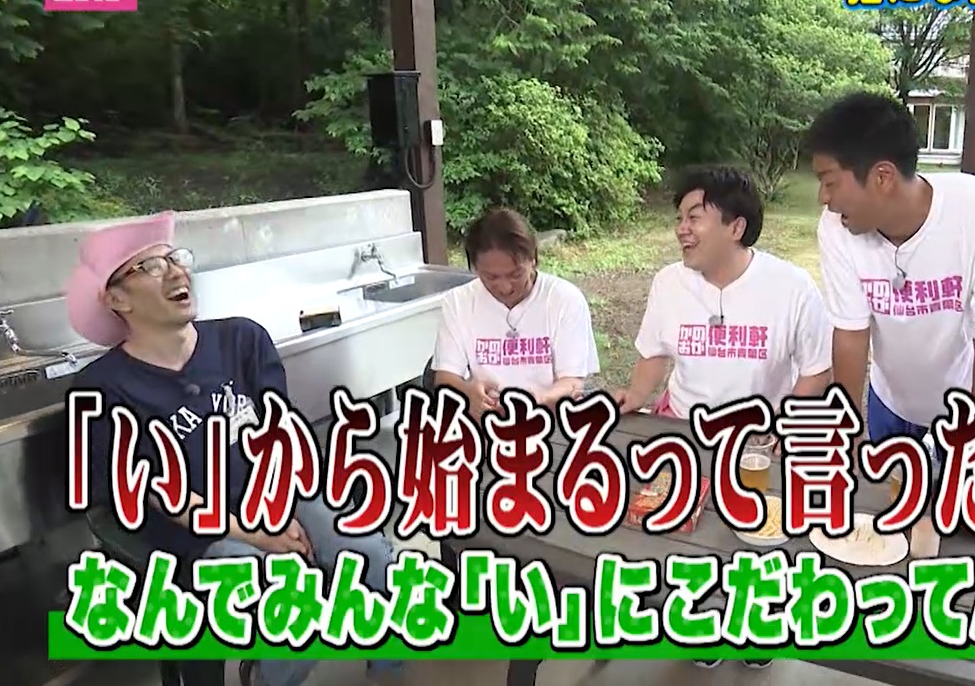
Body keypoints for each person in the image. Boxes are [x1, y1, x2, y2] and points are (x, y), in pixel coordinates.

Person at [65, 211, 403, 686]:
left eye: (177, 260)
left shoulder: (241, 340)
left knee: (369, 553)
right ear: (116, 298)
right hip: (193, 531)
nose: (177, 273)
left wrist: (277, 511)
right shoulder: (102, 388)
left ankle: (387, 669)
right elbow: (152, 494)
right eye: (153, 267)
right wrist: (256, 534)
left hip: (272, 497)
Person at [612, 166, 831, 670]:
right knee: (686, 537)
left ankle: (758, 624)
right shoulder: (669, 283)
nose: (681, 229)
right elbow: (654, 352)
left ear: (736, 226)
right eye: (679, 218)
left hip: (761, 443)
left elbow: (816, 369)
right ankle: (702, 620)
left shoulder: (791, 287)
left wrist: (787, 425)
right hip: (685, 429)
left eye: (694, 217)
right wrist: (636, 394)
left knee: (757, 538)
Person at [807, 92, 975, 453]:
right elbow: (850, 335)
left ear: (883, 176)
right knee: (886, 487)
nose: (823, 199)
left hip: (970, 400)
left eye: (830, 182)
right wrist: (849, 430)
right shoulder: (837, 228)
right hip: (891, 399)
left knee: (964, 487)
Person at [432, 207, 600, 417]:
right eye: (491, 277)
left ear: (533, 259)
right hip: (486, 421)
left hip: (550, 419)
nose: (505, 287)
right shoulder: (458, 302)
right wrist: (468, 393)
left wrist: (540, 399)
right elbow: (445, 378)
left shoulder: (564, 299)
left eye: (515, 274)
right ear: (474, 266)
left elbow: (573, 382)